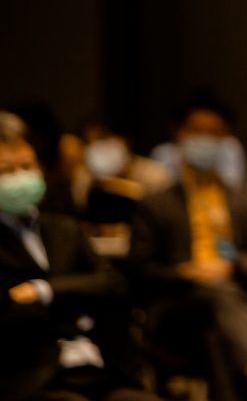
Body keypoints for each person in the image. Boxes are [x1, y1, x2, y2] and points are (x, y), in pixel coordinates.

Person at [0, 111, 162, 401]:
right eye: (6, 171)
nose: (20, 178)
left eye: (26, 166)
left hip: (100, 368)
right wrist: (79, 295)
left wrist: (43, 290)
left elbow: (112, 283)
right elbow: (7, 314)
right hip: (33, 379)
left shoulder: (64, 227)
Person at [128, 93, 247, 401]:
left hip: (232, 305)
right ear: (178, 134)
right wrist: (185, 272)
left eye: (214, 132)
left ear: (227, 139)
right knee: (218, 296)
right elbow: (138, 268)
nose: (204, 140)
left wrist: (232, 266)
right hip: (175, 307)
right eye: (196, 131)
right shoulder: (154, 205)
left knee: (216, 333)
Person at [74, 118, 173, 233]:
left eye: (103, 139)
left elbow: (164, 216)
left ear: (124, 140)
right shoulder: (86, 177)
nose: (98, 148)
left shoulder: (155, 175)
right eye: (90, 143)